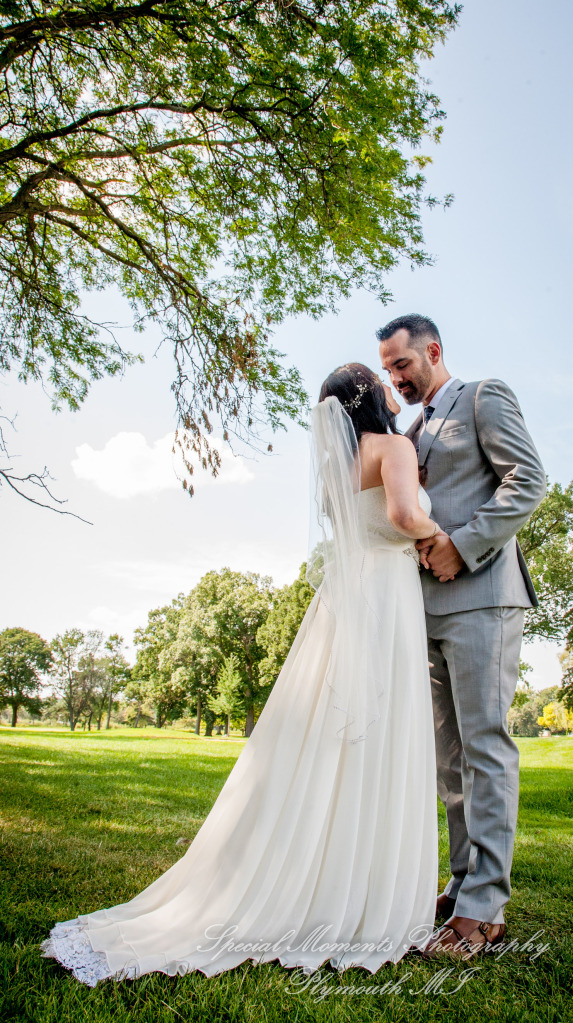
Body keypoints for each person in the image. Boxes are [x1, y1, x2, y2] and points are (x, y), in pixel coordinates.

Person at [41, 363, 442, 986]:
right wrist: (437, 534)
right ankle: (363, 893)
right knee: (380, 729)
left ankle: (330, 871)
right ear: (370, 396)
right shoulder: (392, 448)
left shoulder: (340, 466)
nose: (394, 387)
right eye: (383, 379)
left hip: (348, 597)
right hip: (387, 597)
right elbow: (402, 515)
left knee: (332, 735)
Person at [377, 314, 547, 960]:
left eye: (402, 364)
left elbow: (527, 480)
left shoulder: (482, 397)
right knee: (449, 762)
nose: (397, 377)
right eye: (388, 369)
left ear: (433, 350)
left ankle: (486, 908)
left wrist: (464, 544)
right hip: (425, 613)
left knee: (485, 749)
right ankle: (461, 884)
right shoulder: (408, 433)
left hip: (483, 598)